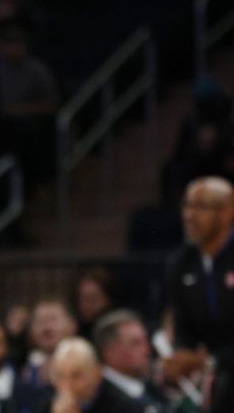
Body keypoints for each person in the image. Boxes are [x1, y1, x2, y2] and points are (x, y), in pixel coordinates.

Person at [164, 176, 234, 413]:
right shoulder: (180, 264)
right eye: (186, 205)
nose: (189, 215)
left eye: (200, 207)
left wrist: (209, 360)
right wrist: (179, 358)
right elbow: (184, 329)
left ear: (227, 212)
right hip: (218, 380)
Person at [40, 337, 146, 413]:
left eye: (76, 376)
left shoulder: (126, 408)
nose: (67, 385)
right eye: (59, 375)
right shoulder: (49, 405)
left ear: (97, 373)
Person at [94, 309, 169, 413]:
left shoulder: (152, 388)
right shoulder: (99, 398)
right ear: (110, 352)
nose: (147, 349)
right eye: (136, 343)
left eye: (145, 340)